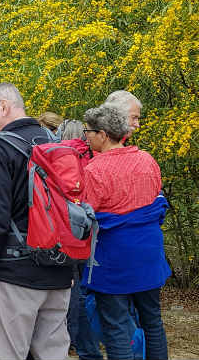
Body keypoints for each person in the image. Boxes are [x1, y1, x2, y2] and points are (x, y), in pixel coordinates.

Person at [0, 83, 72, 360]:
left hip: (14, 274)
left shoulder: (0, 148)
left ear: (3, 107)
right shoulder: (53, 142)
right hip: (59, 268)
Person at [81, 104, 170, 360]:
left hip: (114, 259)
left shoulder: (94, 170)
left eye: (89, 131)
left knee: (116, 326)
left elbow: (87, 213)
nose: (86, 136)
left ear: (104, 135)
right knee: (153, 322)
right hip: (149, 252)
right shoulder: (147, 160)